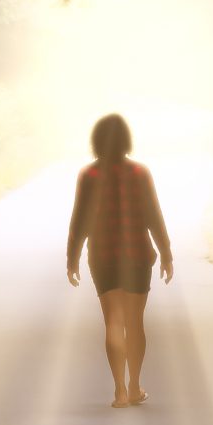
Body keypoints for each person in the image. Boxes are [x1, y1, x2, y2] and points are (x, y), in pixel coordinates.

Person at [65, 113, 174, 407]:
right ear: (127, 140)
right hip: (137, 256)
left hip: (104, 258)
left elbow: (80, 221)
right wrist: (166, 253)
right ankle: (135, 386)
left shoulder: (89, 176)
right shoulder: (140, 174)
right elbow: (154, 215)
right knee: (135, 323)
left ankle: (119, 392)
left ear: (96, 141)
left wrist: (72, 258)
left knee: (113, 321)